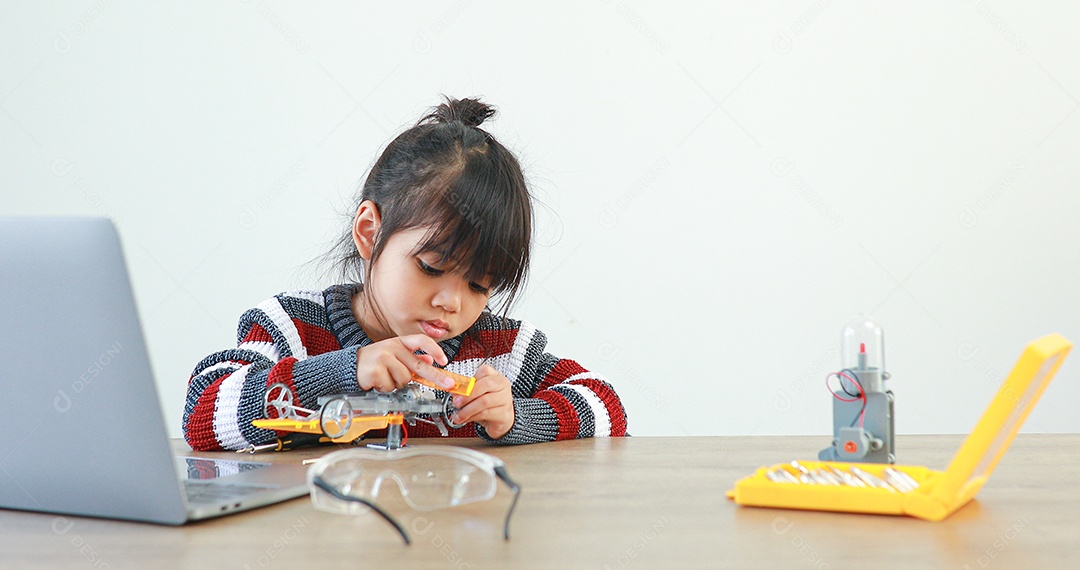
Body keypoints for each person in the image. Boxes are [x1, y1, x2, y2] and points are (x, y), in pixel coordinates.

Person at [183, 96, 628, 451]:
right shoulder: (294, 329)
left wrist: (518, 417)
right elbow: (203, 412)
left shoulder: (502, 351)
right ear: (370, 233)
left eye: (480, 284)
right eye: (432, 267)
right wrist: (343, 372)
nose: (452, 303)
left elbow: (607, 405)